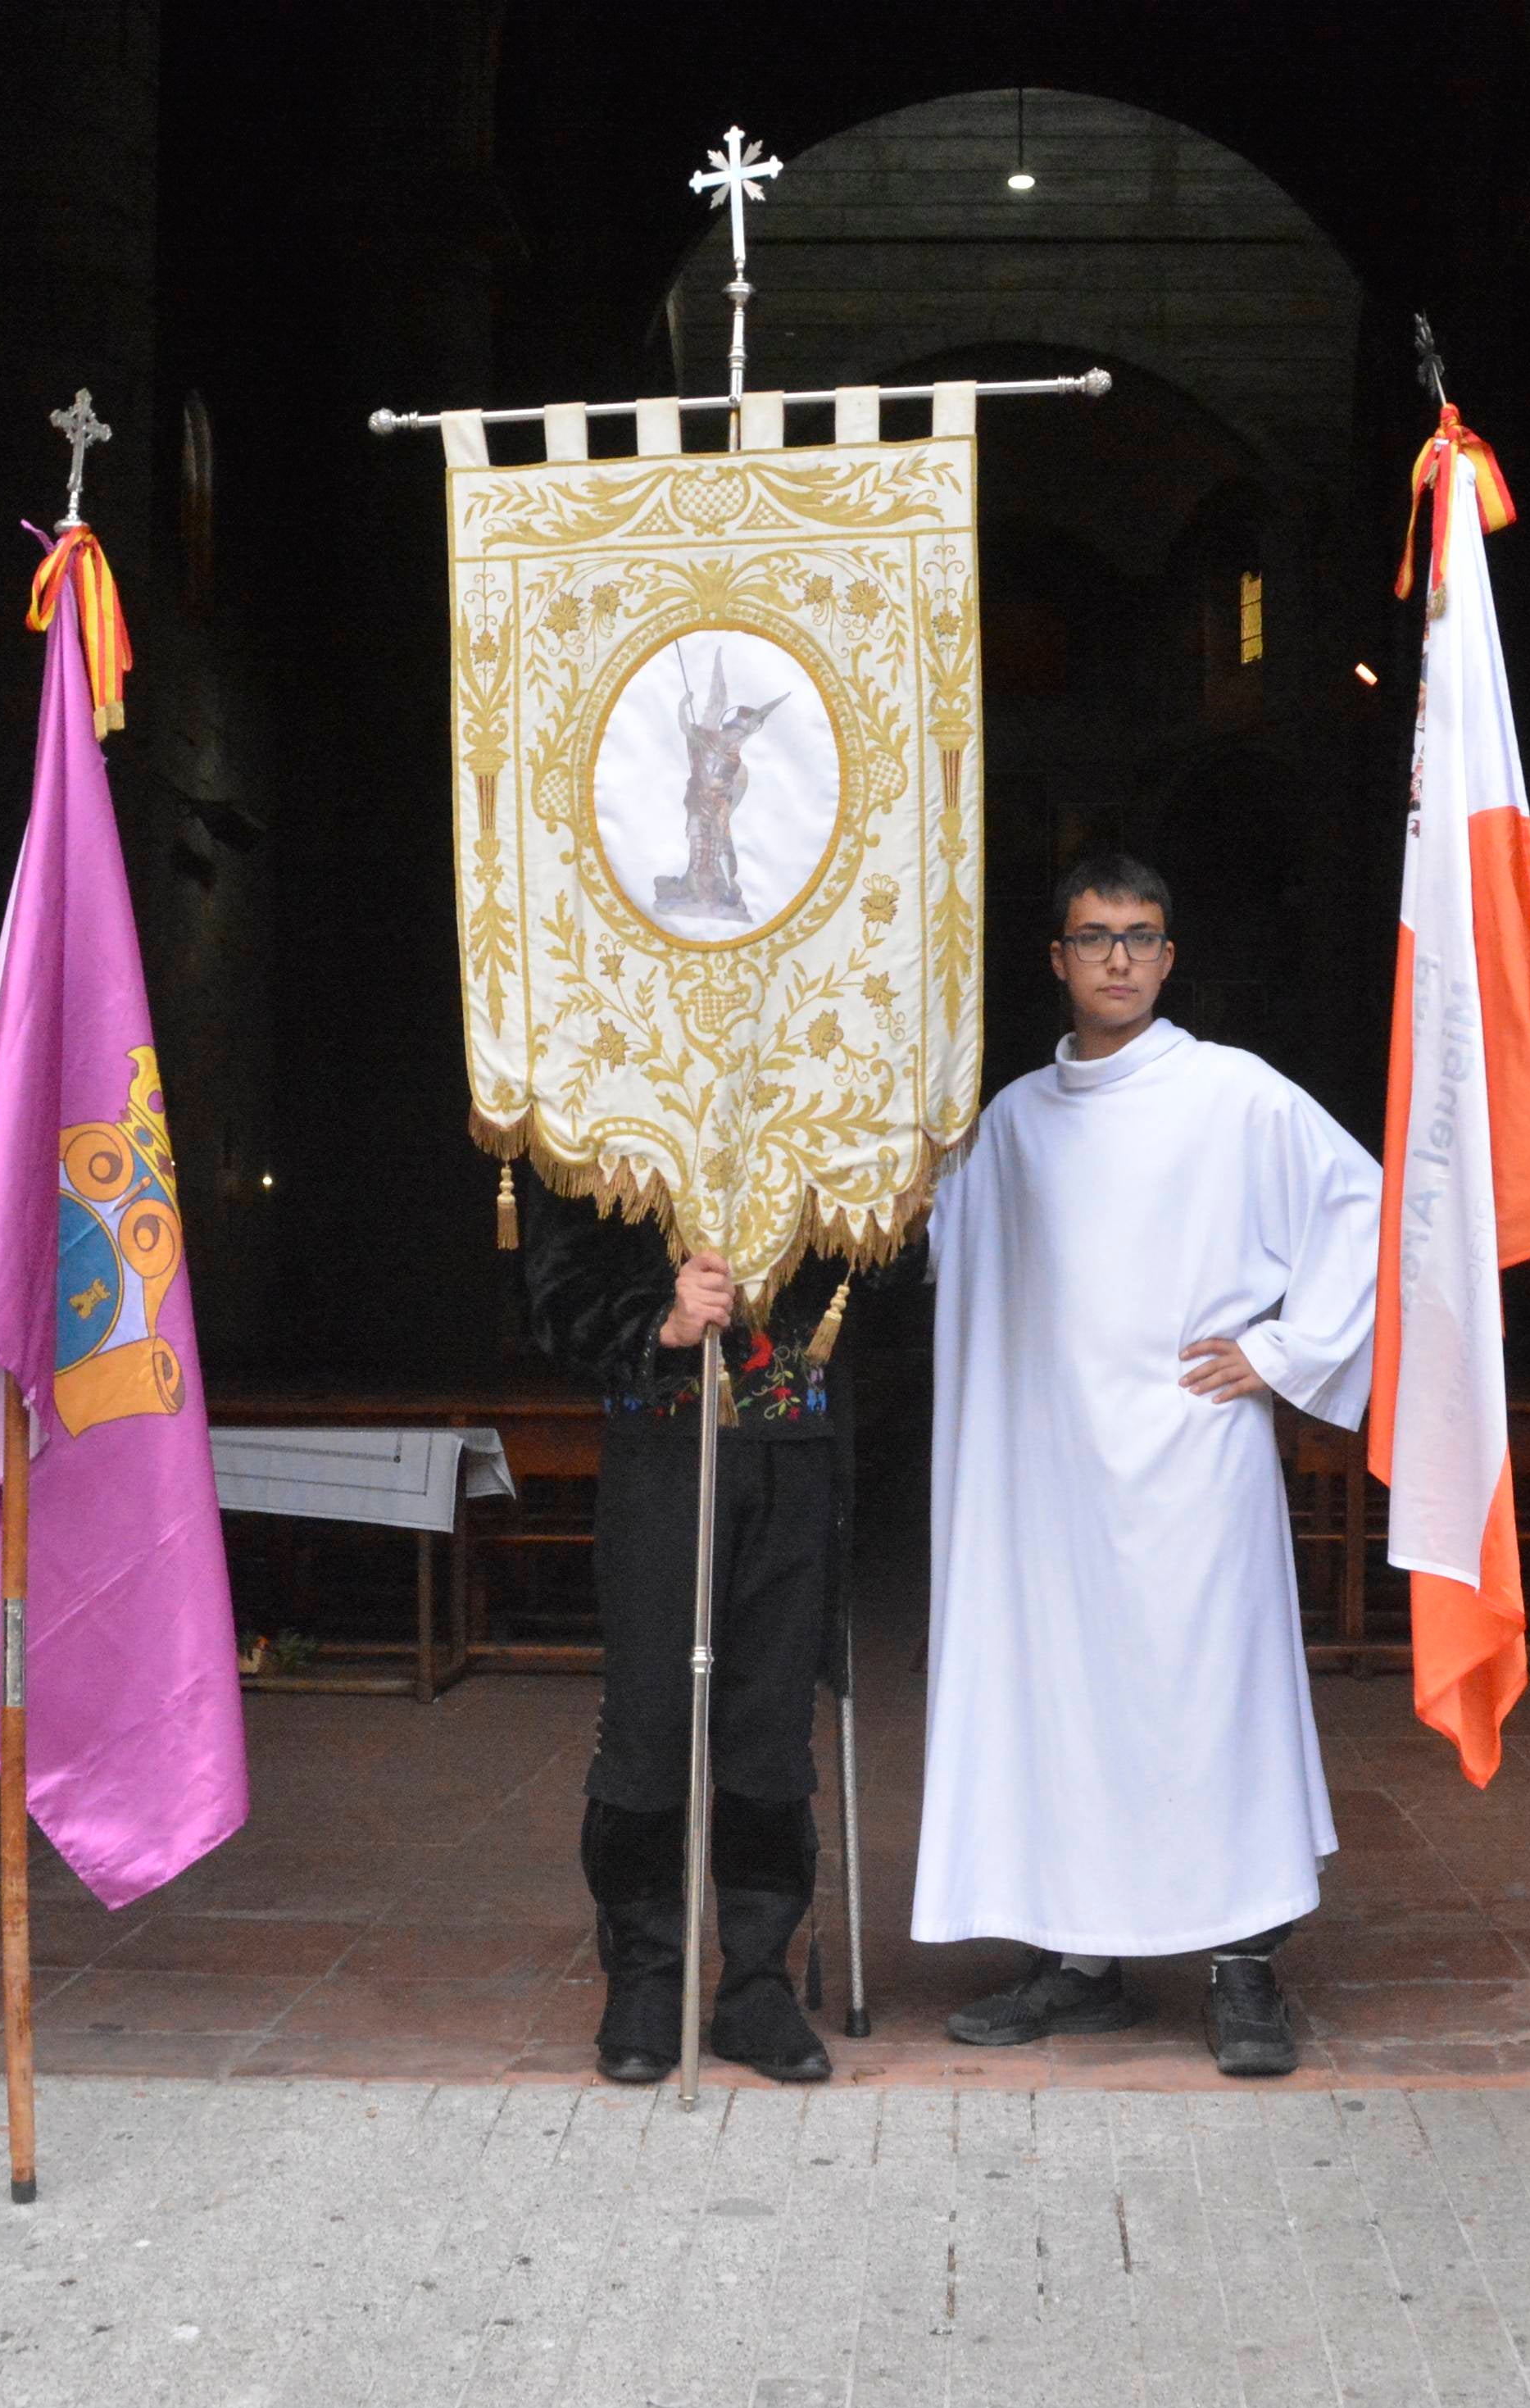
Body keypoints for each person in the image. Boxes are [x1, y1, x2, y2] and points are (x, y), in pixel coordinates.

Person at [914, 852, 1381, 2076]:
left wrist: (1283, 1351)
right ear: (1057, 960)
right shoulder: (1008, 1124)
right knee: (1065, 1708)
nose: (1118, 956)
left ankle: (1242, 1970)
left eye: (1140, 935)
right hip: (1052, 1483)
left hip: (1191, 1465)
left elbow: (1364, 1207)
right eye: (1093, 936)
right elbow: (916, 1228)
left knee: (1206, 1711)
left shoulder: (1235, 1095)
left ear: (1169, 959)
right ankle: (1079, 1961)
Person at [522, 1184, 849, 2085]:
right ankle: (646, 1975)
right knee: (650, 1724)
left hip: (792, 1450)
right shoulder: (610, 1094)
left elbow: (891, 1267)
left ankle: (755, 1984)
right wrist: (658, 1321)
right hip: (662, 1454)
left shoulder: (826, 1079)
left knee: (769, 1729)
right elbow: (555, 1300)